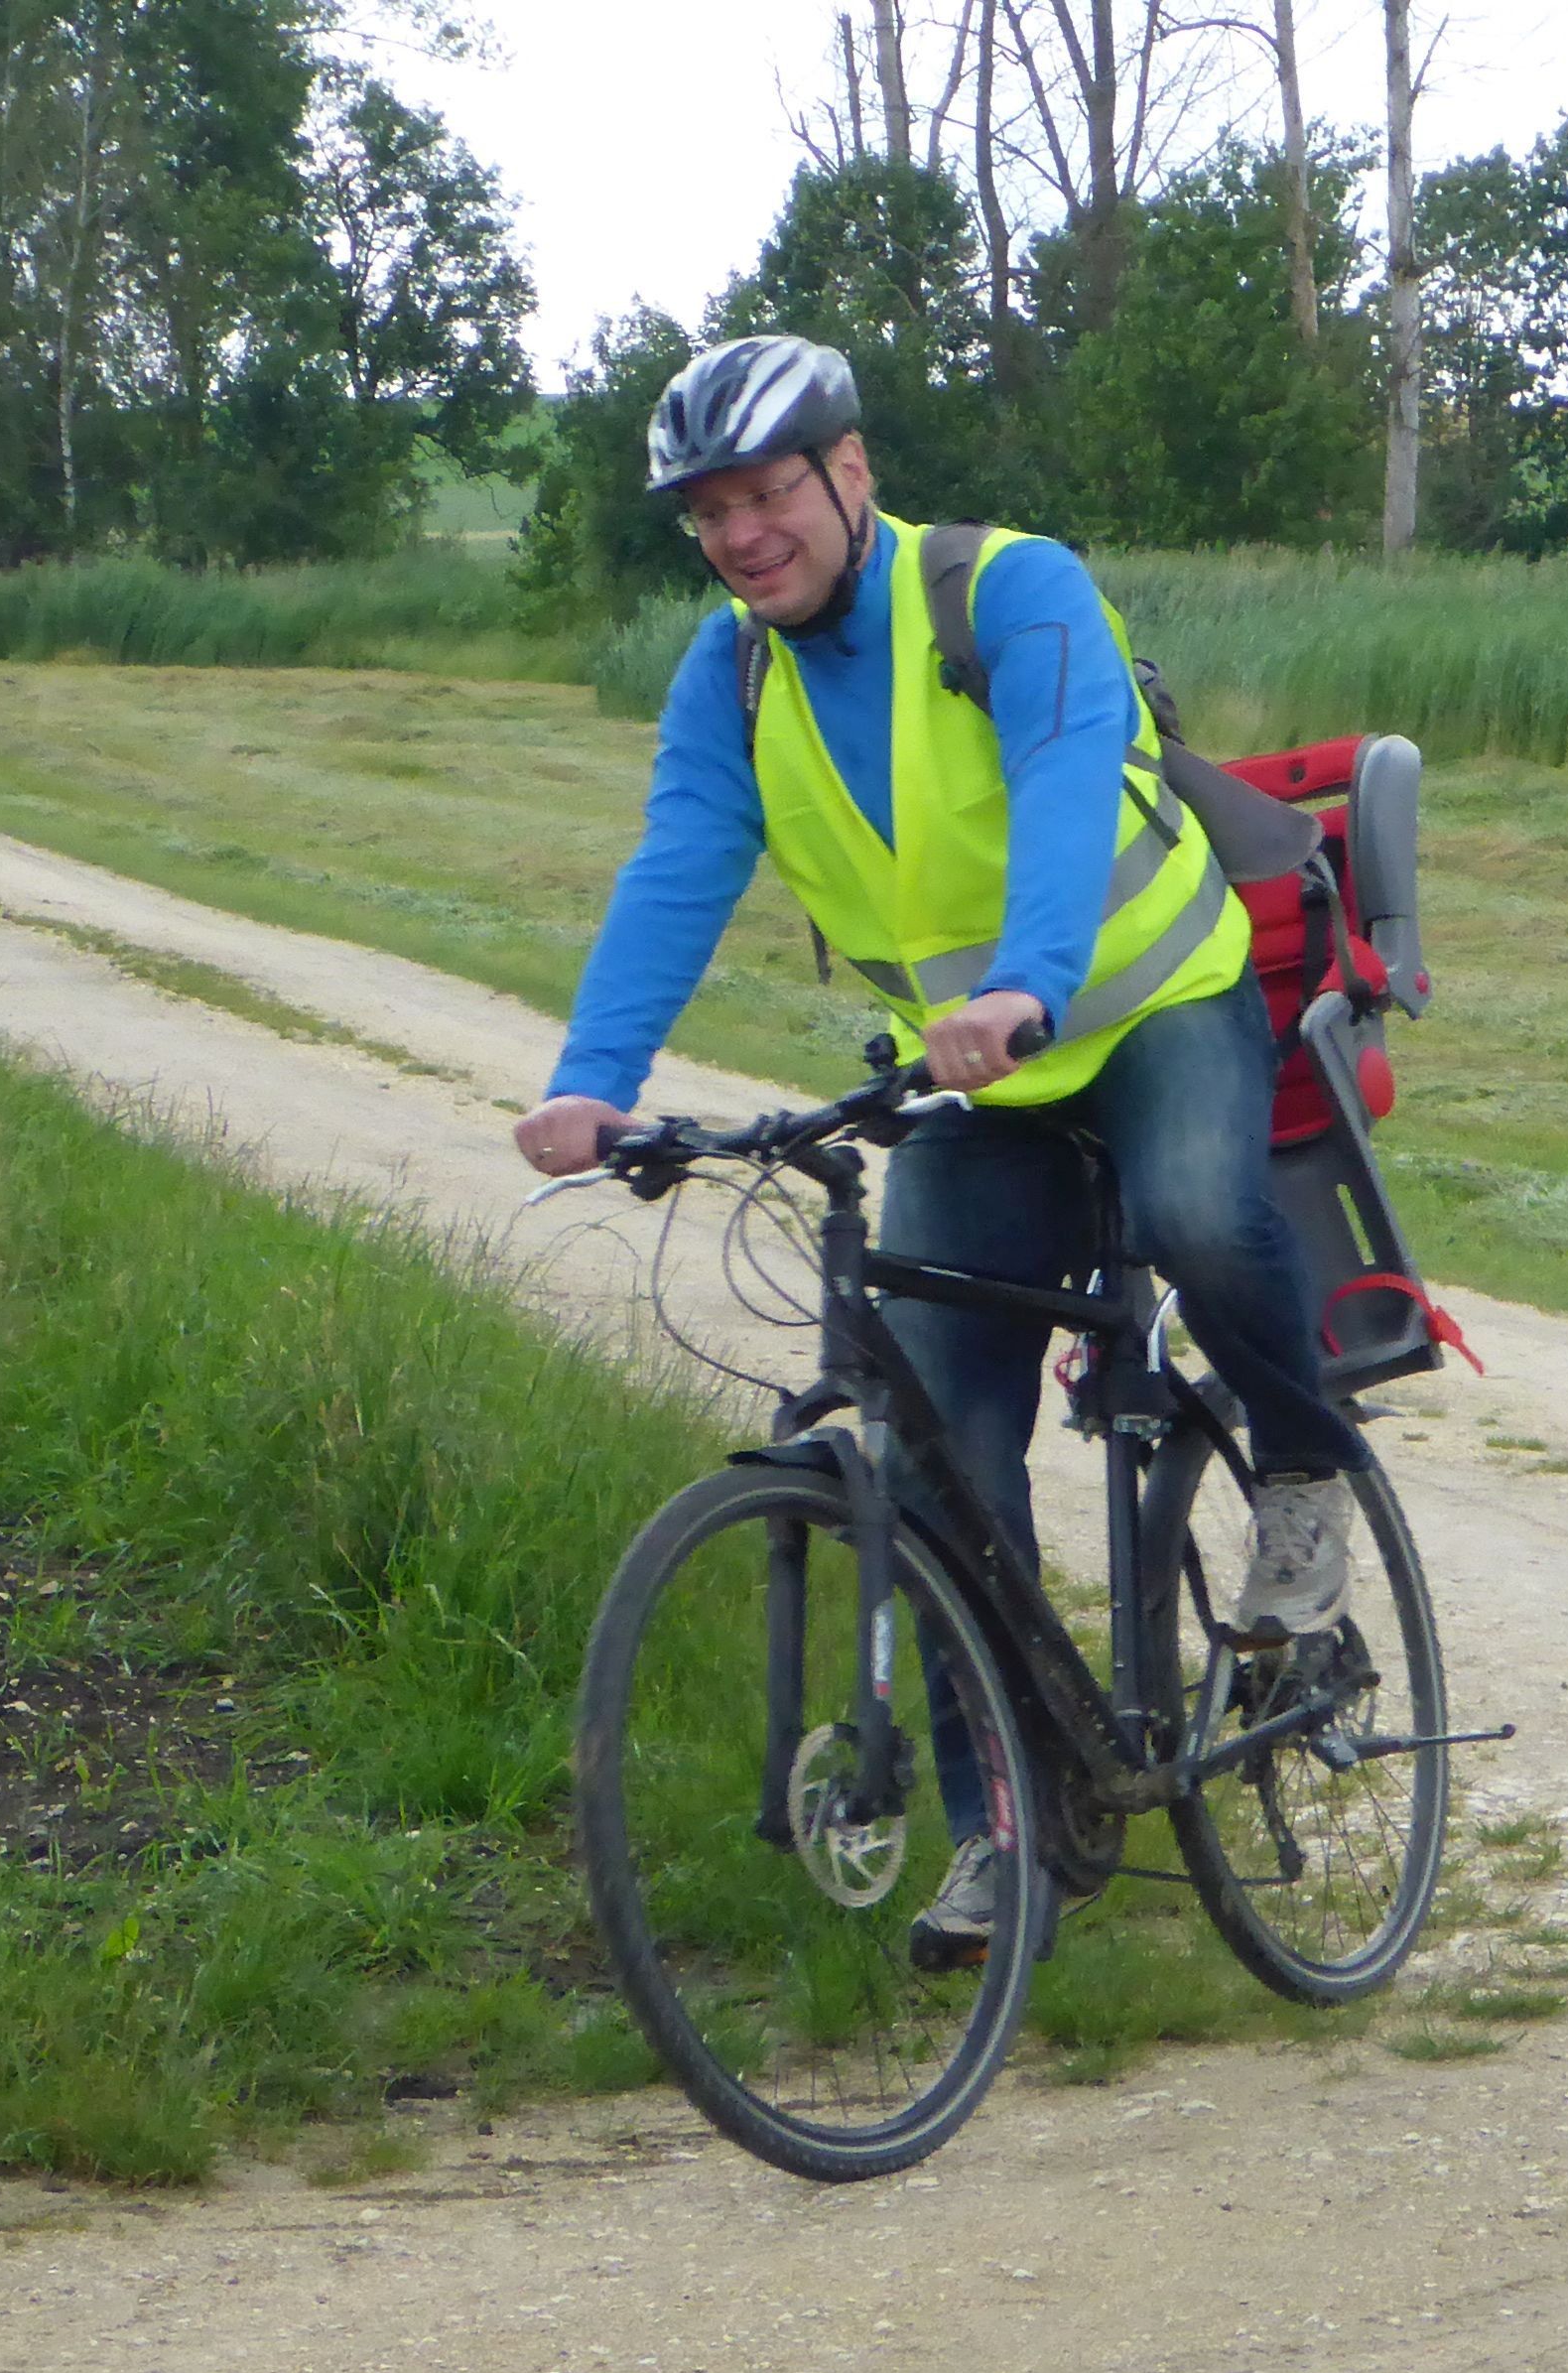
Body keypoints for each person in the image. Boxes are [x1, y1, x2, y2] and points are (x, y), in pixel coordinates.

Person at [510, 335, 1372, 1967]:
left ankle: (1308, 1477)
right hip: (984, 1079)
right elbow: (685, 854)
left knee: (1196, 1205)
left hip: (1152, 1005)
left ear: (852, 473)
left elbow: (1059, 783)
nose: (744, 533)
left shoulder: (1010, 591)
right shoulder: (733, 672)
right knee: (934, 1459)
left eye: (770, 491)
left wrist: (1036, 975)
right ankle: (1011, 1827)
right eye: (711, 512)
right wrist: (594, 1079)